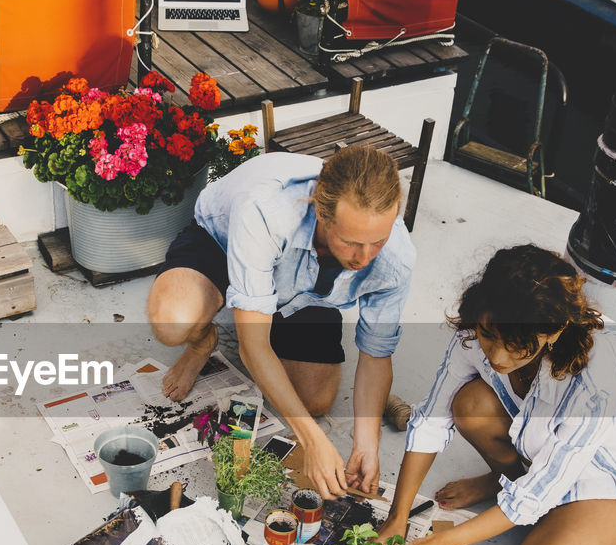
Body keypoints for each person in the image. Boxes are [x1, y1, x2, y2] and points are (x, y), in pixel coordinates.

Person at [377, 244, 616, 545]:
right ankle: (505, 484)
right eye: (491, 337)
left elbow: (539, 494)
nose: (497, 356)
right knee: (470, 405)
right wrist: (397, 519)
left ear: (553, 333)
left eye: (517, 345)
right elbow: (431, 421)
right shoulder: (482, 327)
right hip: (547, 452)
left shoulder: (599, 381)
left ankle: (579, 531)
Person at [147, 146, 415, 500]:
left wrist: (367, 444)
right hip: (225, 245)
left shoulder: (395, 258)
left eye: (377, 242)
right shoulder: (265, 210)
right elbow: (253, 345)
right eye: (351, 242)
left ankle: (277, 309)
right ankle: (203, 340)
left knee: (314, 402)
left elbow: (376, 355)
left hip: (304, 287)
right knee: (173, 322)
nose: (364, 259)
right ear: (320, 211)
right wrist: (312, 440)